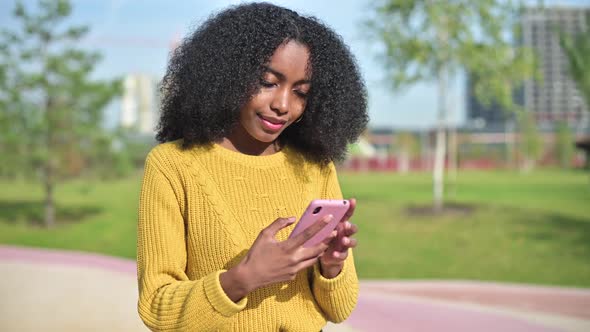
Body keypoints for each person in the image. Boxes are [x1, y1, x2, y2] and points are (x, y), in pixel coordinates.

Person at [136, 2, 368, 331]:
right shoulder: (173, 166)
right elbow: (158, 308)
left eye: (300, 92)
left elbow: (341, 309)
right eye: (268, 82)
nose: (282, 105)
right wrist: (244, 278)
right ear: (229, 74)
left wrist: (331, 267)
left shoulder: (315, 167)